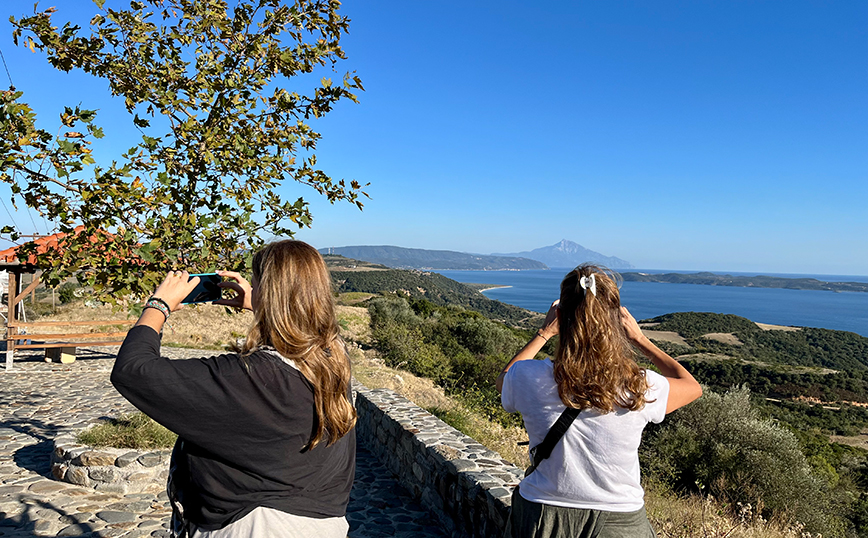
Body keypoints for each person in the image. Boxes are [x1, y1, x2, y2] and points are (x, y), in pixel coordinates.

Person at [111, 240, 356, 538]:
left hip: (256, 525)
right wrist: (261, 306)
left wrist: (159, 304)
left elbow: (132, 370)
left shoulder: (249, 377)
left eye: (256, 284)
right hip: (322, 522)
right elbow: (297, 331)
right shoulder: (332, 359)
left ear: (267, 292)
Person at [497, 264, 702, 538]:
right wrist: (641, 339)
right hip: (620, 520)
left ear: (560, 315)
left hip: (542, 515)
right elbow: (691, 387)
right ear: (617, 321)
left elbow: (504, 380)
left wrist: (544, 333)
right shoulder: (641, 384)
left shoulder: (528, 377)